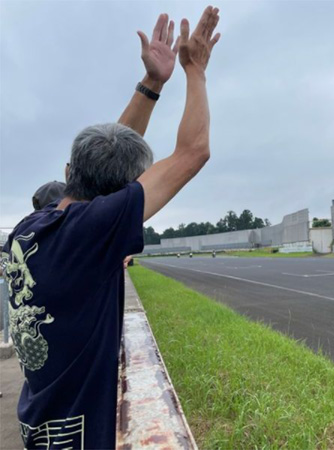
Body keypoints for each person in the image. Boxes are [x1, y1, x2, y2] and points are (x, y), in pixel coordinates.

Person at [0, 6, 220, 449]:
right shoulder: (89, 235)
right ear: (120, 199)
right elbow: (193, 152)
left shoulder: (30, 228)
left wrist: (152, 84)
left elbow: (108, 165)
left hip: (39, 425)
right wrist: (194, 71)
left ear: (68, 169)